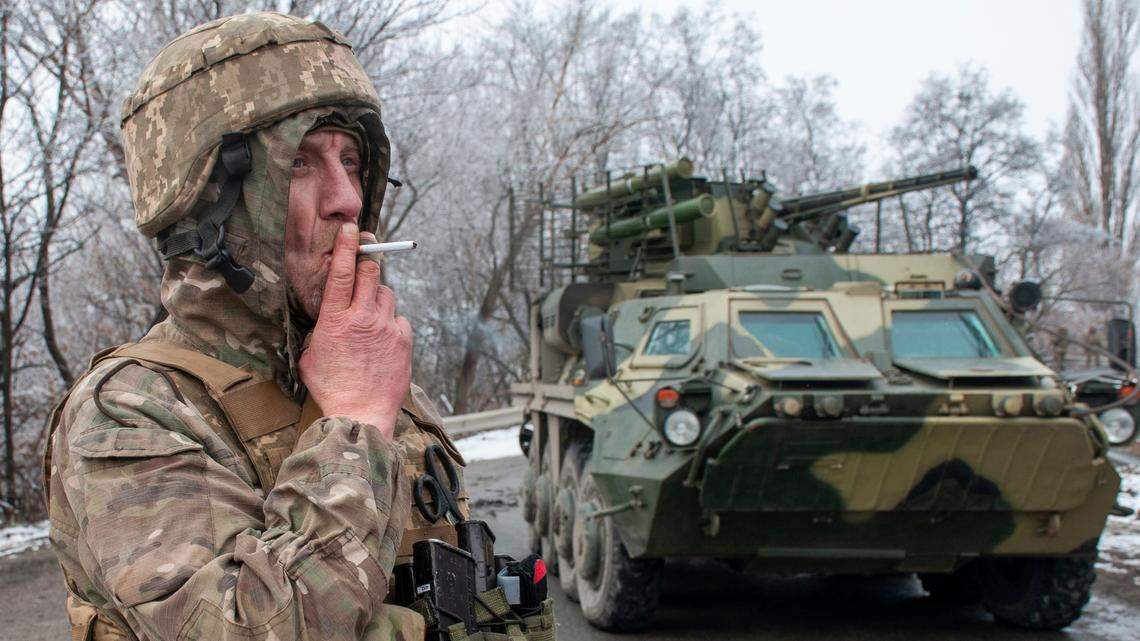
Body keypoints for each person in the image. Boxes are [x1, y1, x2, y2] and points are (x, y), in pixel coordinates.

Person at [43, 13, 469, 641]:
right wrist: (352, 426)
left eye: (352, 160)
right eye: (301, 162)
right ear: (214, 202)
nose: (347, 198)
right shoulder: (132, 412)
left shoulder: (370, 372)